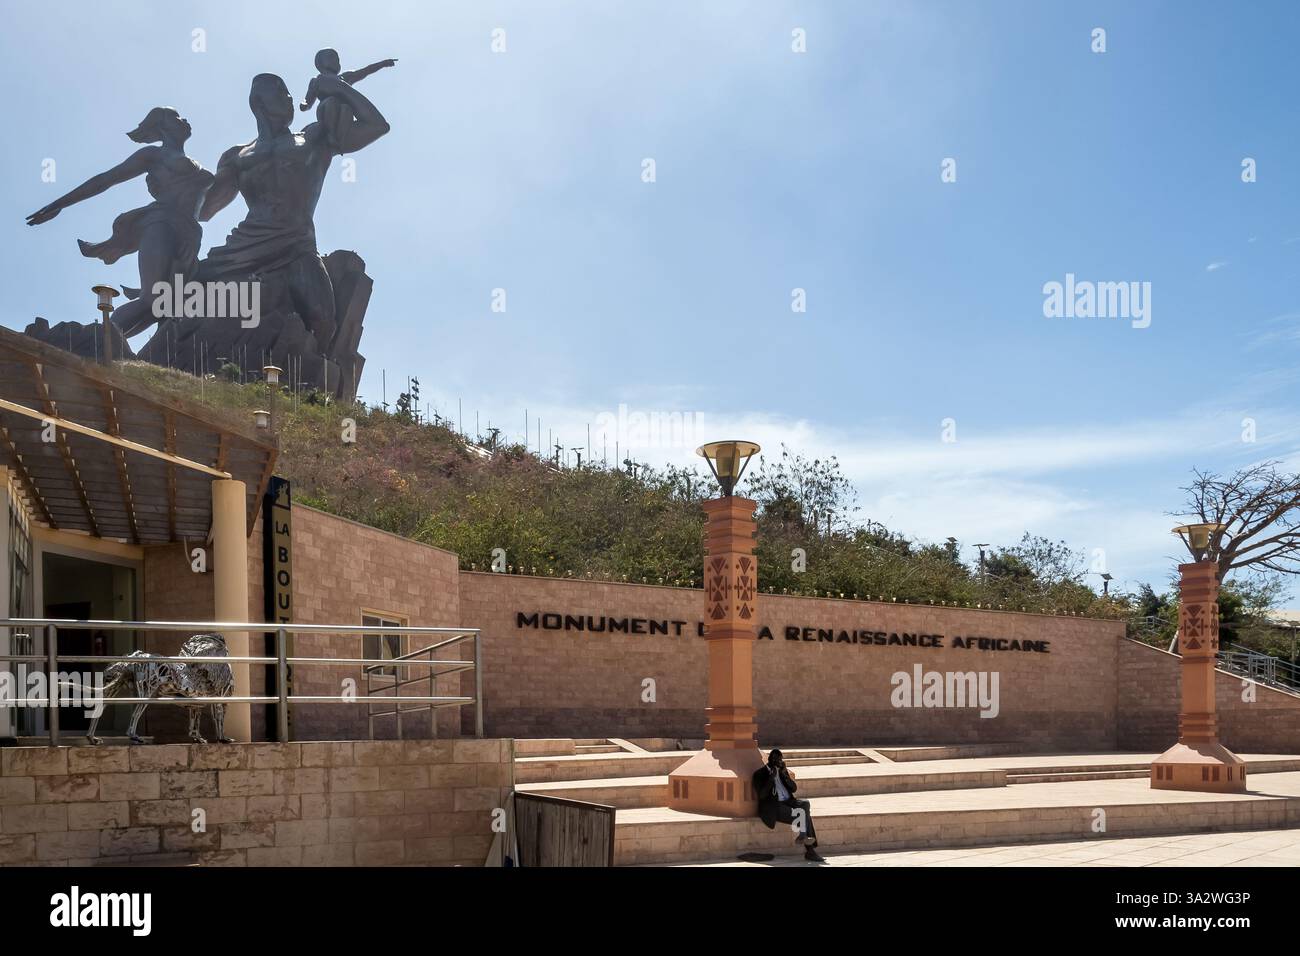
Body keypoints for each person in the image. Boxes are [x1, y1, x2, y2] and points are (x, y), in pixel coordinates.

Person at [26, 107, 213, 338]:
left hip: (190, 235)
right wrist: (59, 204)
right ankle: (96, 341)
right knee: (152, 299)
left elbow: (209, 207)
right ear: (162, 126)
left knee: (166, 306)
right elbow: (106, 179)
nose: (184, 119)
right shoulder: (154, 155)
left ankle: (113, 347)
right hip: (162, 224)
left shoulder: (196, 165)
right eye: (177, 117)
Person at [752, 748, 824, 863]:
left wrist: (784, 774)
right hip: (774, 807)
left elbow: (794, 789)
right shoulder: (760, 774)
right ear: (770, 760)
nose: (779, 762)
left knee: (805, 804)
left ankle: (804, 837)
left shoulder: (782, 771)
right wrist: (771, 779)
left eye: (780, 760)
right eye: (777, 760)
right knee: (805, 816)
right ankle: (810, 850)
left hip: (788, 802)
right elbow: (762, 795)